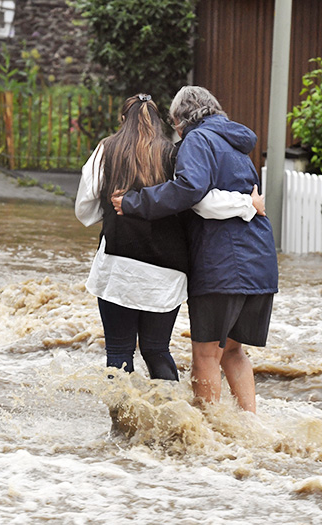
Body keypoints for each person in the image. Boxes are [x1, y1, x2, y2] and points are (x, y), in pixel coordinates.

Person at [112, 86, 279, 413]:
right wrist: (246, 203)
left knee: (205, 356)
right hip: (259, 262)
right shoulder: (237, 146)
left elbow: (191, 190)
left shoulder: (198, 141)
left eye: (175, 124)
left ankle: (207, 440)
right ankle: (250, 427)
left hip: (223, 265)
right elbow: (238, 197)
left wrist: (134, 202)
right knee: (233, 351)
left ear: (180, 120)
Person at [75, 93, 262, 383]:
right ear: (162, 122)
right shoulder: (175, 154)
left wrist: (113, 211)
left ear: (123, 120)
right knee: (157, 349)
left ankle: (122, 427)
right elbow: (202, 201)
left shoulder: (105, 150)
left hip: (117, 268)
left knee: (118, 353)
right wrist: (247, 204)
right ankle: (170, 422)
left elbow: (83, 209)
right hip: (168, 271)